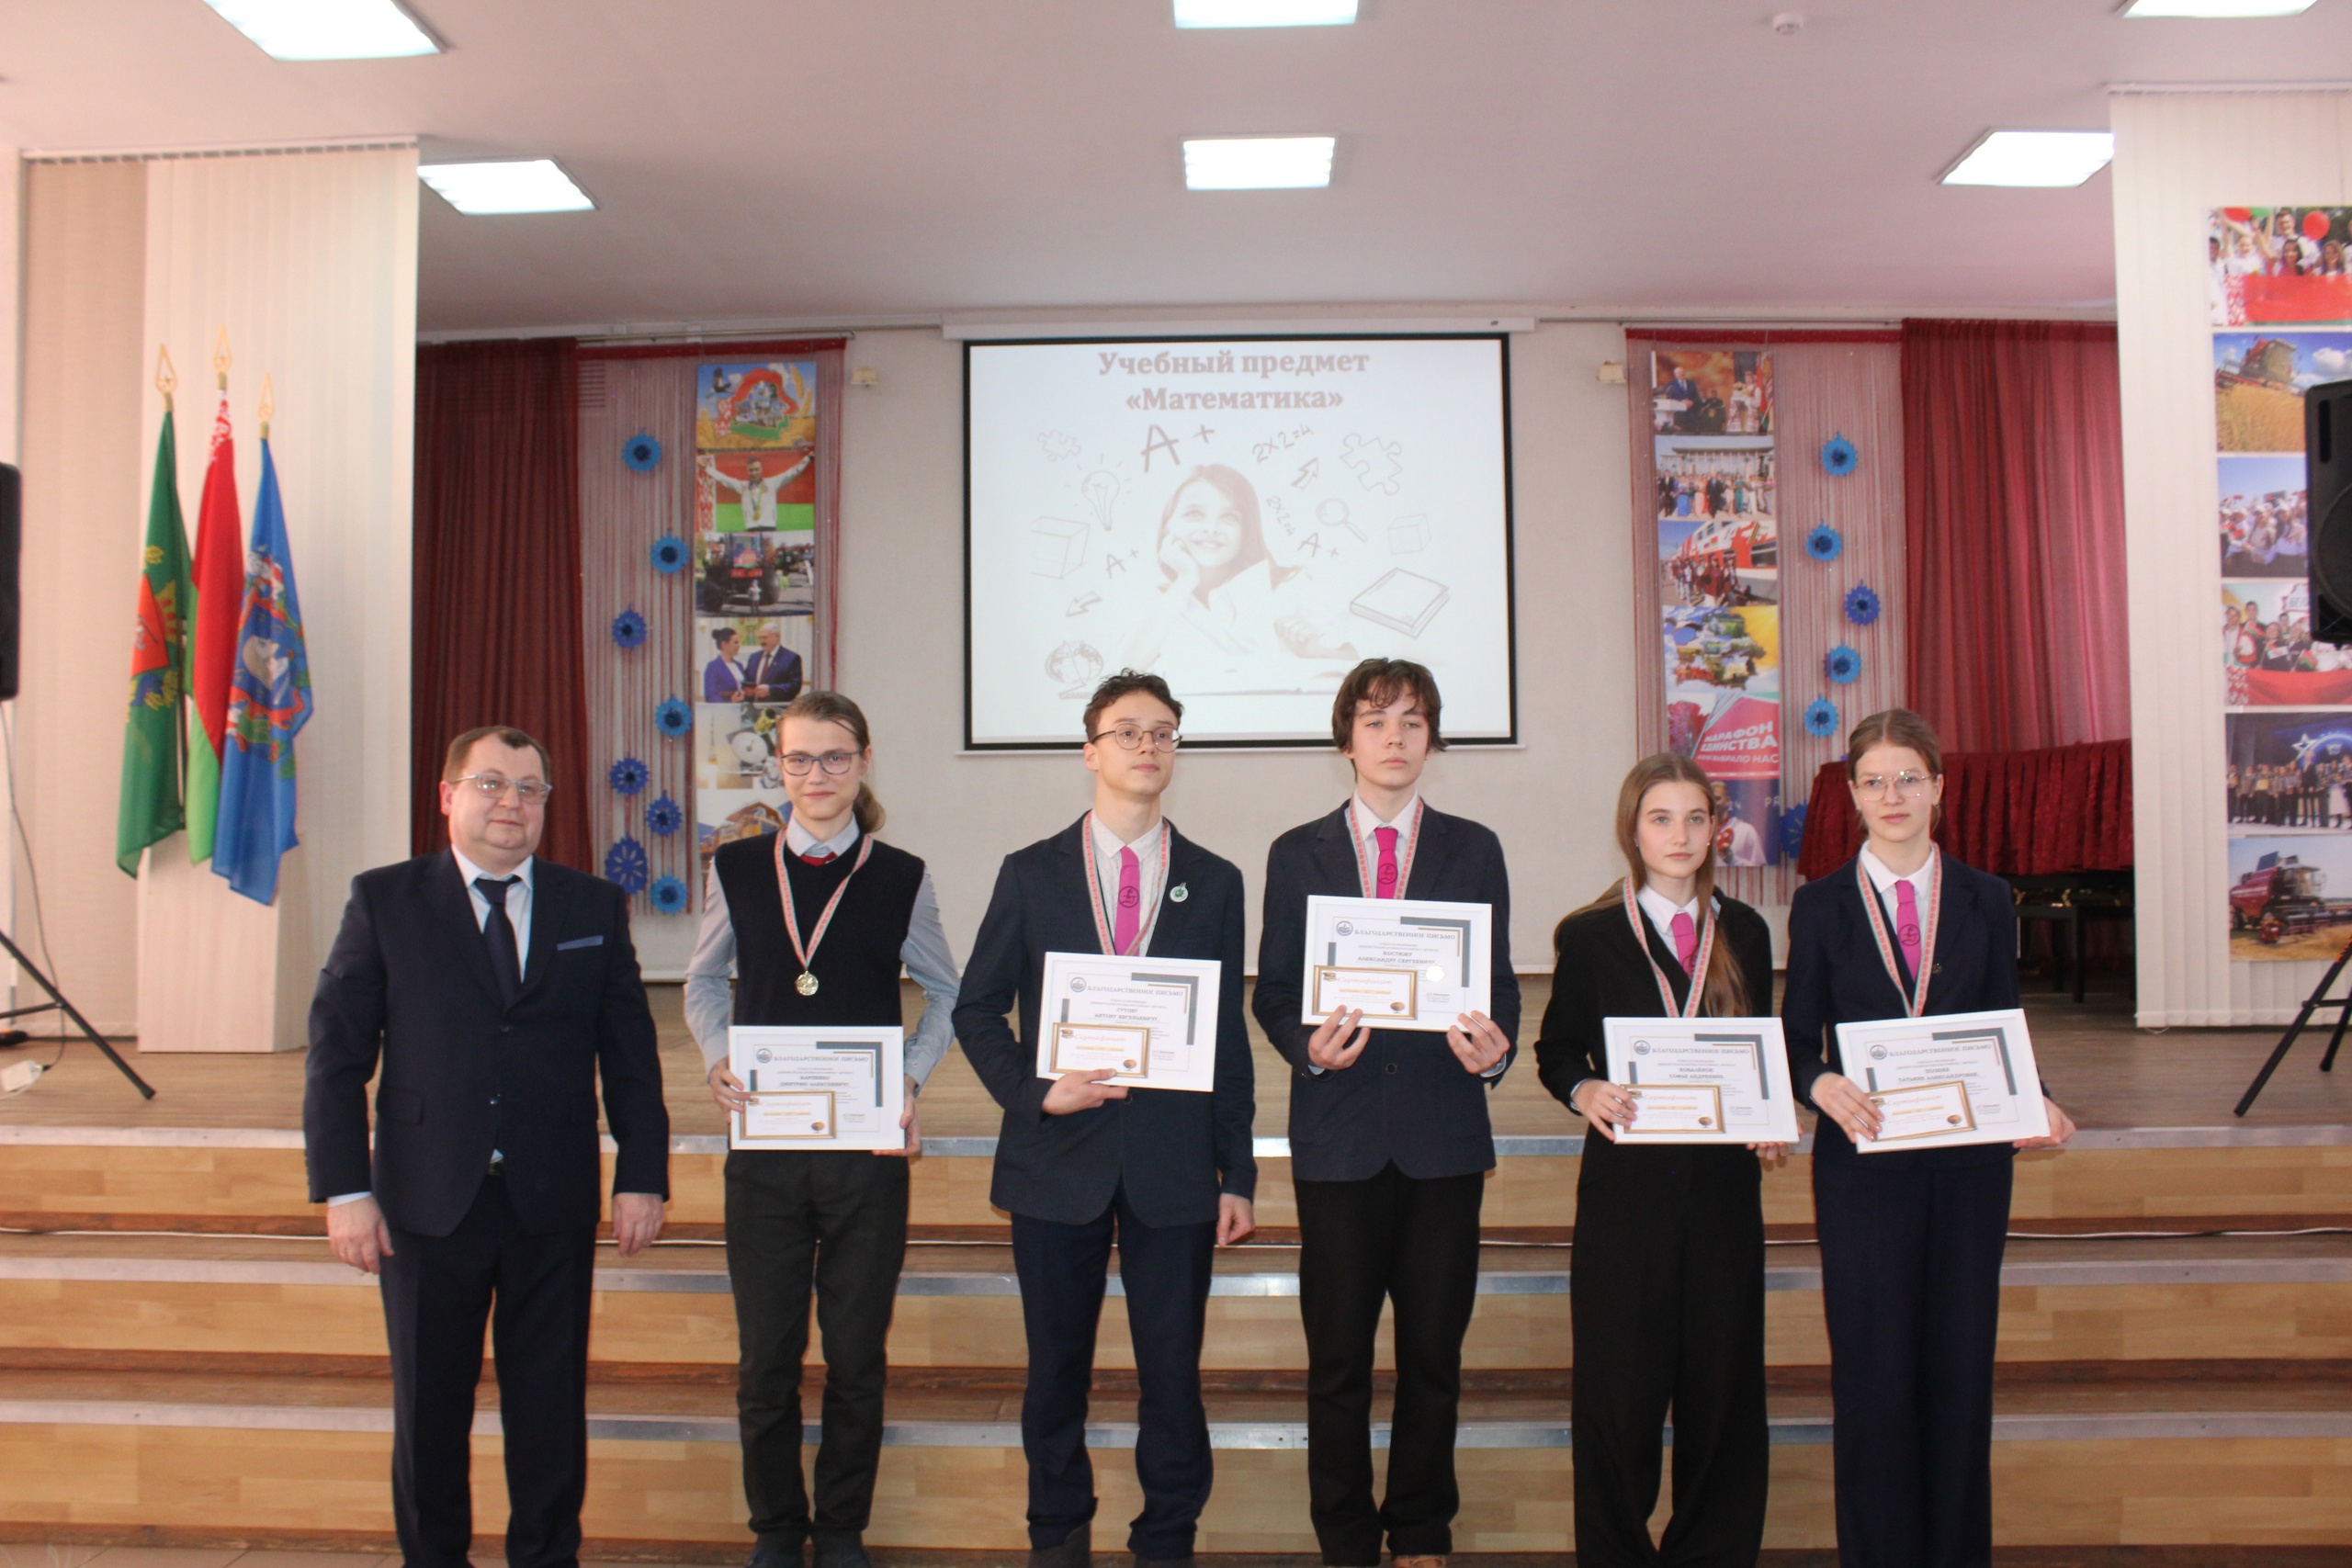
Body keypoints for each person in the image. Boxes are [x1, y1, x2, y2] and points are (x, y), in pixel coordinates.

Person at [304, 726, 670, 1568]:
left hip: (552, 1197)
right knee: (429, 1411)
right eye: (491, 783)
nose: (512, 802)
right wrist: (345, 1189)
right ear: (448, 796)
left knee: (550, 1409)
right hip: (426, 1201)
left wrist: (642, 1174)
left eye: (530, 788)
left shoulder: (592, 904)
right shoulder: (384, 900)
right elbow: (336, 1057)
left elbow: (630, 1053)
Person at [952, 670, 1258, 1568]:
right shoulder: (1030, 872)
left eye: (1162, 732)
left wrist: (1237, 1171)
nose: (1146, 746)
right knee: (1055, 1374)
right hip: (1056, 1157)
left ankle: (1166, 1539)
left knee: (1172, 1375)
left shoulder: (1214, 880)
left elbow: (1225, 1040)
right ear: (1090, 751)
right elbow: (977, 1008)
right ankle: (1058, 1538)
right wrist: (1033, 1091)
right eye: (1127, 731)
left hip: (1174, 1166)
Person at [1781, 708, 2075, 1568]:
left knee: (1958, 1372)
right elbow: (1795, 1038)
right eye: (1874, 780)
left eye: (1909, 777)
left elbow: (2003, 1023)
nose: (1893, 795)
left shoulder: (1985, 896)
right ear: (1851, 794)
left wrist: (2037, 1100)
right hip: (1864, 1165)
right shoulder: (1821, 903)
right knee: (1872, 1376)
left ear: (1939, 786)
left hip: (1968, 1166)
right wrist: (1818, 1083)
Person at [1251, 658, 1520, 1568]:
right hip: (1340, 1140)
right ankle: (1344, 1535)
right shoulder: (1297, 852)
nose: (1394, 738)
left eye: (1411, 721)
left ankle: (1421, 1527)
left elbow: (1499, 988)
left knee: (1433, 1356)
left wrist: (1495, 1050)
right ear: (1346, 741)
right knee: (1337, 1360)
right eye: (1375, 721)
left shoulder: (1474, 847)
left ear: (1431, 738)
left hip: (1443, 1140)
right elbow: (1275, 991)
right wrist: (1307, 1047)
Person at [686, 691, 961, 1568]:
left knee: (855, 1357)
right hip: (764, 1149)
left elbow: (947, 991)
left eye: (835, 757)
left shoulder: (902, 875)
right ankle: (776, 1528)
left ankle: (840, 1527)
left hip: (865, 1155)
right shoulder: (737, 867)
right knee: (766, 1359)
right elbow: (703, 980)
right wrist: (717, 1055)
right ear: (779, 767)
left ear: (864, 762)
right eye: (799, 759)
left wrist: (908, 1079)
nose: (817, 774)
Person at [1535, 753, 1780, 1568]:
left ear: (1716, 830)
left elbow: (1761, 1051)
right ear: (1632, 831)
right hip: (1626, 1197)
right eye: (1661, 818)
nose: (1680, 835)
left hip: (1721, 1196)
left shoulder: (1745, 931)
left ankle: (1713, 1552)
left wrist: (1767, 1116)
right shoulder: (1591, 934)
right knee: (1619, 1395)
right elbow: (1556, 1048)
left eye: (1695, 818)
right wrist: (1585, 1089)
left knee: (1723, 1390)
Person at [1119, 465, 1354, 685]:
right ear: (1167, 527)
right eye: (1194, 514)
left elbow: (1359, 667)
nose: (1211, 528)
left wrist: (1317, 652)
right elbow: (1123, 674)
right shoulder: (1157, 602)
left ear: (1246, 530)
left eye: (1229, 517)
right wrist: (1185, 580)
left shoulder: (1291, 587)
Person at [741, 623, 807, 704]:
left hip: (778, 708)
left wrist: (770, 690)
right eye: (760, 638)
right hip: (753, 708)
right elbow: (747, 680)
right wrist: (748, 690)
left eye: (765, 637)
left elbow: (795, 687)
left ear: (777, 637)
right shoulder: (754, 657)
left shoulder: (791, 658)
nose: (761, 641)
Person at [706, 626, 750, 703]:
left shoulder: (739, 665)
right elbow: (710, 696)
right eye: (735, 642)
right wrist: (730, 702)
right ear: (724, 645)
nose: (738, 646)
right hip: (725, 708)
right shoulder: (713, 667)